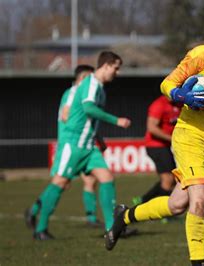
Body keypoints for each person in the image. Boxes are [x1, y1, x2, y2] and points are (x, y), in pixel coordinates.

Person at [105, 9, 204, 266]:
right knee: (201, 199)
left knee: (178, 204)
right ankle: (199, 261)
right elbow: (167, 84)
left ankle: (125, 216)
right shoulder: (202, 54)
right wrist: (182, 96)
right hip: (190, 136)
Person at [24, 51, 131, 240]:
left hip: (89, 146)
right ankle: (40, 228)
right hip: (73, 144)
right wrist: (117, 121)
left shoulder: (100, 89)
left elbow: (90, 118)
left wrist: (100, 141)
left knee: (106, 178)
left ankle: (111, 229)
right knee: (60, 183)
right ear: (106, 66)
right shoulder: (90, 83)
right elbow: (88, 108)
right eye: (116, 68)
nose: (118, 72)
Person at [24, 65, 105, 228]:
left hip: (83, 145)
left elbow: (87, 122)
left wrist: (97, 138)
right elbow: (67, 114)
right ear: (82, 78)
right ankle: (34, 212)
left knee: (91, 179)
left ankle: (91, 218)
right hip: (69, 145)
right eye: (90, 78)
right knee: (62, 182)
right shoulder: (73, 92)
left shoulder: (85, 93)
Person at [132, 95, 180, 206]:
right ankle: (165, 212)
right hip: (155, 146)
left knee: (172, 179)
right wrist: (172, 138)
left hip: (165, 146)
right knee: (168, 180)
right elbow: (152, 127)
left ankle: (142, 200)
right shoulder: (159, 104)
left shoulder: (179, 103)